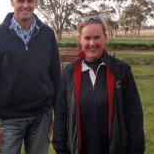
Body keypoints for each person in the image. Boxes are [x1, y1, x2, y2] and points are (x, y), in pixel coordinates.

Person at [0, 0, 61, 154]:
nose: (26, 5)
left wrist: (59, 116)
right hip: (9, 120)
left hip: (42, 117)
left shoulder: (47, 34)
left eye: (30, 1)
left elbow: (56, 76)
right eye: (21, 0)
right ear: (12, 1)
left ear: (36, 2)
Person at [52, 16, 145, 154]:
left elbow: (134, 113)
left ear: (105, 37)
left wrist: (135, 149)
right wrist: (61, 148)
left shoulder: (121, 70)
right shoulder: (69, 73)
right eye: (87, 38)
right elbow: (61, 114)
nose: (92, 43)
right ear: (80, 39)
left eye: (97, 37)